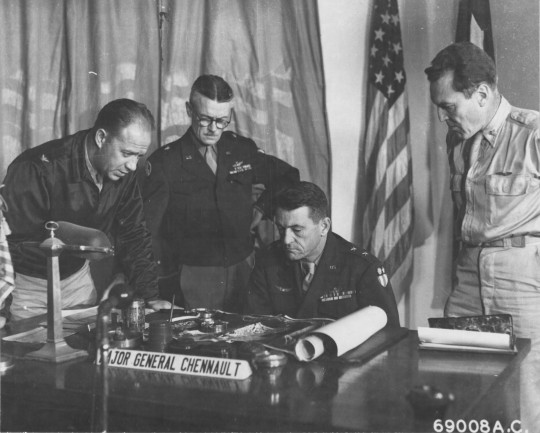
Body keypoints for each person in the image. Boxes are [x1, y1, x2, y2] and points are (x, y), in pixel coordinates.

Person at [2, 98, 170, 321]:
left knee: (86, 349)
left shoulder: (123, 172)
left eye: (138, 156)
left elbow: (134, 233)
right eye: (127, 153)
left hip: (77, 284)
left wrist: (150, 297)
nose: (132, 165)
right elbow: (13, 244)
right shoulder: (36, 168)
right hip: (30, 291)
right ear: (101, 138)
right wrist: (74, 239)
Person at [142, 74, 299, 313]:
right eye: (205, 119)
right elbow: (148, 233)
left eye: (222, 120)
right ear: (189, 110)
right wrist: (153, 288)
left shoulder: (240, 149)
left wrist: (261, 209)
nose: (214, 128)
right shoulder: (165, 163)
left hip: (245, 268)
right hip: (195, 276)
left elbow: (288, 176)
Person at [425, 42, 540, 338]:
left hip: (523, 285)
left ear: (481, 95)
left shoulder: (533, 135)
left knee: (526, 380)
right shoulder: (457, 142)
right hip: (468, 279)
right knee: (459, 373)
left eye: (448, 107)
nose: (442, 118)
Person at [244, 181, 400, 325]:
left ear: (324, 226)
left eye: (297, 230)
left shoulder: (362, 268)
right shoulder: (268, 261)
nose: (286, 240)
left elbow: (388, 334)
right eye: (281, 229)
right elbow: (255, 326)